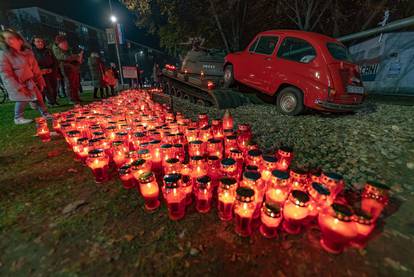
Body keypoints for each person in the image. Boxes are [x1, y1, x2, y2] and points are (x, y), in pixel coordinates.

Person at [0, 29, 52, 124]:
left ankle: (45, 114)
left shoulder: (28, 53)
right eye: (5, 39)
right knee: (22, 100)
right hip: (18, 83)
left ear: (20, 40)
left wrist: (40, 81)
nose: (8, 41)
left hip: (30, 82)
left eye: (11, 38)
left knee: (39, 98)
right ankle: (18, 117)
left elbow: (35, 69)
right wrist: (18, 87)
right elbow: (5, 73)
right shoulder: (5, 55)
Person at [52, 35, 83, 104]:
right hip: (65, 66)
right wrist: (76, 56)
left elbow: (70, 57)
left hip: (71, 66)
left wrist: (76, 58)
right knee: (70, 83)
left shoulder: (67, 50)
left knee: (75, 82)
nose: (66, 45)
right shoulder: (57, 50)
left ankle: (76, 97)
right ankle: (72, 98)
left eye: (66, 43)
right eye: (64, 43)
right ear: (59, 43)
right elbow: (65, 57)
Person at [31, 35, 60, 106]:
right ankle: (51, 102)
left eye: (42, 41)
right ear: (34, 43)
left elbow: (55, 61)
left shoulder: (48, 50)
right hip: (41, 73)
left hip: (51, 72)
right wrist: (41, 70)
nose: (40, 43)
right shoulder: (32, 52)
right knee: (47, 88)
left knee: (54, 87)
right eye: (38, 41)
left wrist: (53, 69)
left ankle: (54, 100)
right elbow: (32, 64)